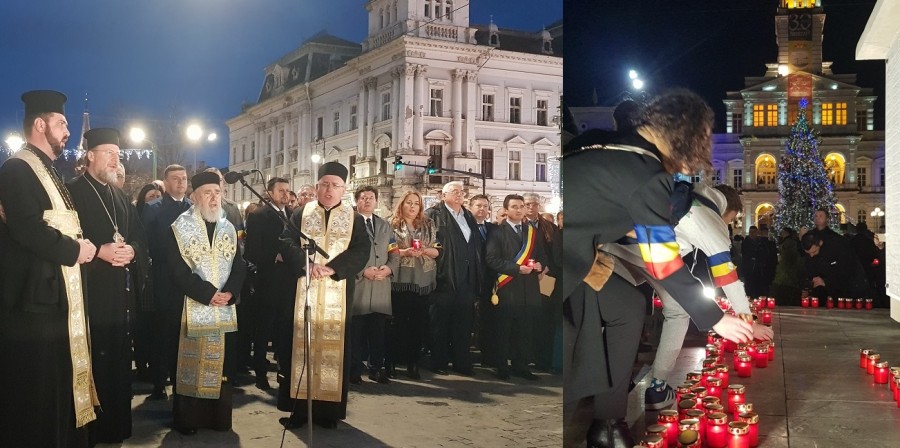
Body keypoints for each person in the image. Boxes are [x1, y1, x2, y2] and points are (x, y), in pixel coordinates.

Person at [562, 91, 753, 447]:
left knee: (629, 307)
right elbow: (663, 262)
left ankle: (607, 423)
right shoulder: (648, 174)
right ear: (686, 137)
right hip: (562, 266)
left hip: (580, 256)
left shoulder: (611, 148)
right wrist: (716, 318)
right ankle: (603, 423)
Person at [610, 182, 773, 410]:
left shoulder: (686, 195)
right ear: (729, 210)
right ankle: (657, 388)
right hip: (650, 255)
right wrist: (748, 321)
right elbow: (727, 277)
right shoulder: (711, 218)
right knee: (678, 311)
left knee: (610, 313)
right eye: (730, 220)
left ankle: (605, 379)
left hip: (612, 248)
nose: (727, 224)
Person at [0, 90, 98, 448]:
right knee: (36, 390)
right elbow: (26, 227)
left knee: (56, 384)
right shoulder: (17, 168)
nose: (68, 131)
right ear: (40, 125)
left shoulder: (47, 169)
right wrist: (76, 249)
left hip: (55, 298)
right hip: (33, 301)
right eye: (62, 124)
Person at [67, 128, 147, 446]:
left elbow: (139, 237)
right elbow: (64, 241)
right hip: (90, 294)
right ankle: (91, 432)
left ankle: (116, 429)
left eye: (119, 153)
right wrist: (99, 251)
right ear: (90, 155)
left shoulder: (118, 196)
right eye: (109, 152)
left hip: (119, 297)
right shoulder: (72, 191)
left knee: (117, 366)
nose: (116, 158)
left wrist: (133, 251)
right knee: (94, 364)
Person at [277, 161, 370, 429]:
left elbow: (361, 250)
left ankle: (328, 413)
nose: (329, 190)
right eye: (325, 185)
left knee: (333, 349)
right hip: (303, 291)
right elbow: (286, 240)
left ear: (344, 189)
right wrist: (307, 264)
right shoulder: (301, 212)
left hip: (337, 291)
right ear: (317, 186)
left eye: (335, 186)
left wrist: (333, 268)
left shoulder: (354, 218)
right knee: (300, 347)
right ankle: (298, 411)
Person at [163, 171, 246, 434]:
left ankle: (218, 419)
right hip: (192, 305)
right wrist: (208, 293)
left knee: (223, 366)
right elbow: (176, 270)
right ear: (195, 197)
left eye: (217, 192)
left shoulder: (228, 226)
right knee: (192, 365)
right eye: (207, 193)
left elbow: (240, 264)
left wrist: (230, 292)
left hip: (223, 308)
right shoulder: (179, 227)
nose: (214, 198)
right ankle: (189, 420)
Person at [141, 164, 192, 400]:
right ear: (166, 182)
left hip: (189, 280)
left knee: (185, 332)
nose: (181, 182)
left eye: (183, 178)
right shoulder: (153, 208)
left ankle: (181, 379)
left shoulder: (193, 208)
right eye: (175, 178)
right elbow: (147, 243)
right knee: (163, 332)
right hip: (164, 276)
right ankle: (159, 382)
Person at [485, 194, 548, 380]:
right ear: (506, 210)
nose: (519, 210)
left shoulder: (532, 232)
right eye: (514, 206)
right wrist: (516, 268)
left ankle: (522, 366)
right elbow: (491, 259)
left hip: (529, 289)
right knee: (504, 330)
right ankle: (502, 367)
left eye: (521, 206)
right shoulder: (497, 231)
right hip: (507, 287)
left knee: (525, 330)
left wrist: (539, 266)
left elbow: (542, 256)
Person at [425, 180, 484, 376]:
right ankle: (439, 361)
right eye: (454, 191)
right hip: (445, 276)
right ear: (444, 196)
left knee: (464, 322)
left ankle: (462, 362)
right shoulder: (434, 214)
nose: (459, 194)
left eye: (461, 191)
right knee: (440, 322)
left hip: (467, 278)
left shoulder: (467, 215)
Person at [243, 177, 296, 390]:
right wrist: (274, 256)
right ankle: (261, 374)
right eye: (280, 190)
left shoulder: (293, 215)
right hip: (268, 282)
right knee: (264, 331)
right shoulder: (259, 216)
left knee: (286, 330)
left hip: (290, 281)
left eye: (287, 190)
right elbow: (252, 251)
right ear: (270, 193)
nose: (285, 194)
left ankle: (284, 370)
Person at [388, 190, 441, 379]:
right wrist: (404, 252)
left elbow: (437, 250)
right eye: (409, 203)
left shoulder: (428, 224)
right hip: (400, 279)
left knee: (418, 325)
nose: (412, 206)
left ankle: (413, 363)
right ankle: (392, 361)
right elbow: (387, 250)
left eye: (416, 203)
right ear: (401, 204)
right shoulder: (391, 224)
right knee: (398, 323)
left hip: (423, 280)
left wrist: (425, 250)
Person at [350, 186, 399, 384]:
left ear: (377, 201)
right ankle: (353, 370)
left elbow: (394, 250)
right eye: (363, 198)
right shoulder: (349, 223)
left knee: (378, 331)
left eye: (371, 198)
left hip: (380, 285)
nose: (367, 201)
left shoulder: (385, 225)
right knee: (356, 332)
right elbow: (342, 253)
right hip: (359, 285)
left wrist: (389, 268)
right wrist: (362, 271)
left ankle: (376, 368)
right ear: (356, 201)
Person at [523, 192, 560, 372]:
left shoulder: (549, 227)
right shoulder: (518, 224)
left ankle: (542, 359)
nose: (531, 207)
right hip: (522, 277)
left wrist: (545, 268)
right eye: (528, 204)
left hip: (546, 277)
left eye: (534, 204)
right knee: (525, 316)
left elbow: (554, 252)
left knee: (545, 317)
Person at [468, 193, 498, 368]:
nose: (482, 209)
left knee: (488, 320)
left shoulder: (493, 229)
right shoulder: (465, 227)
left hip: (488, 280)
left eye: (485, 206)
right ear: (470, 207)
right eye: (478, 205)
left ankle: (488, 357)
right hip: (469, 279)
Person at [801, 232, 871, 301]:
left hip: (852, 292)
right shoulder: (812, 256)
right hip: (832, 295)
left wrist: (825, 282)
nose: (811, 255)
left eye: (814, 252)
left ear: (820, 243)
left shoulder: (838, 249)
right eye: (808, 253)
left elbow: (847, 273)